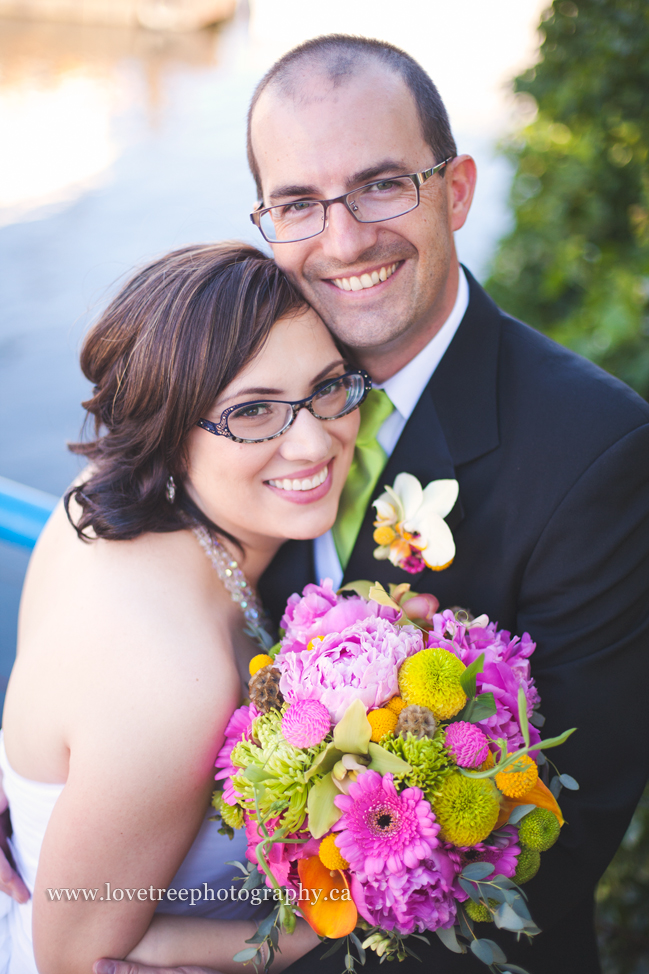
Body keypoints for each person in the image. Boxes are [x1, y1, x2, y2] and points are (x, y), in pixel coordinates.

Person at [93, 33, 649, 974]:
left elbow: (553, 841)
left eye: (383, 184)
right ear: (267, 218)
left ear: (457, 189)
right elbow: (109, 525)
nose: (343, 239)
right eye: (300, 203)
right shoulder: (231, 377)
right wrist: (50, 785)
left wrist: (249, 963)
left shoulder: (597, 455)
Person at [0, 241, 370, 973]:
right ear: (168, 432)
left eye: (328, 387)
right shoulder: (174, 678)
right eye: (253, 412)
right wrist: (347, 925)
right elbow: (71, 957)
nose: (313, 440)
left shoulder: (93, 502)